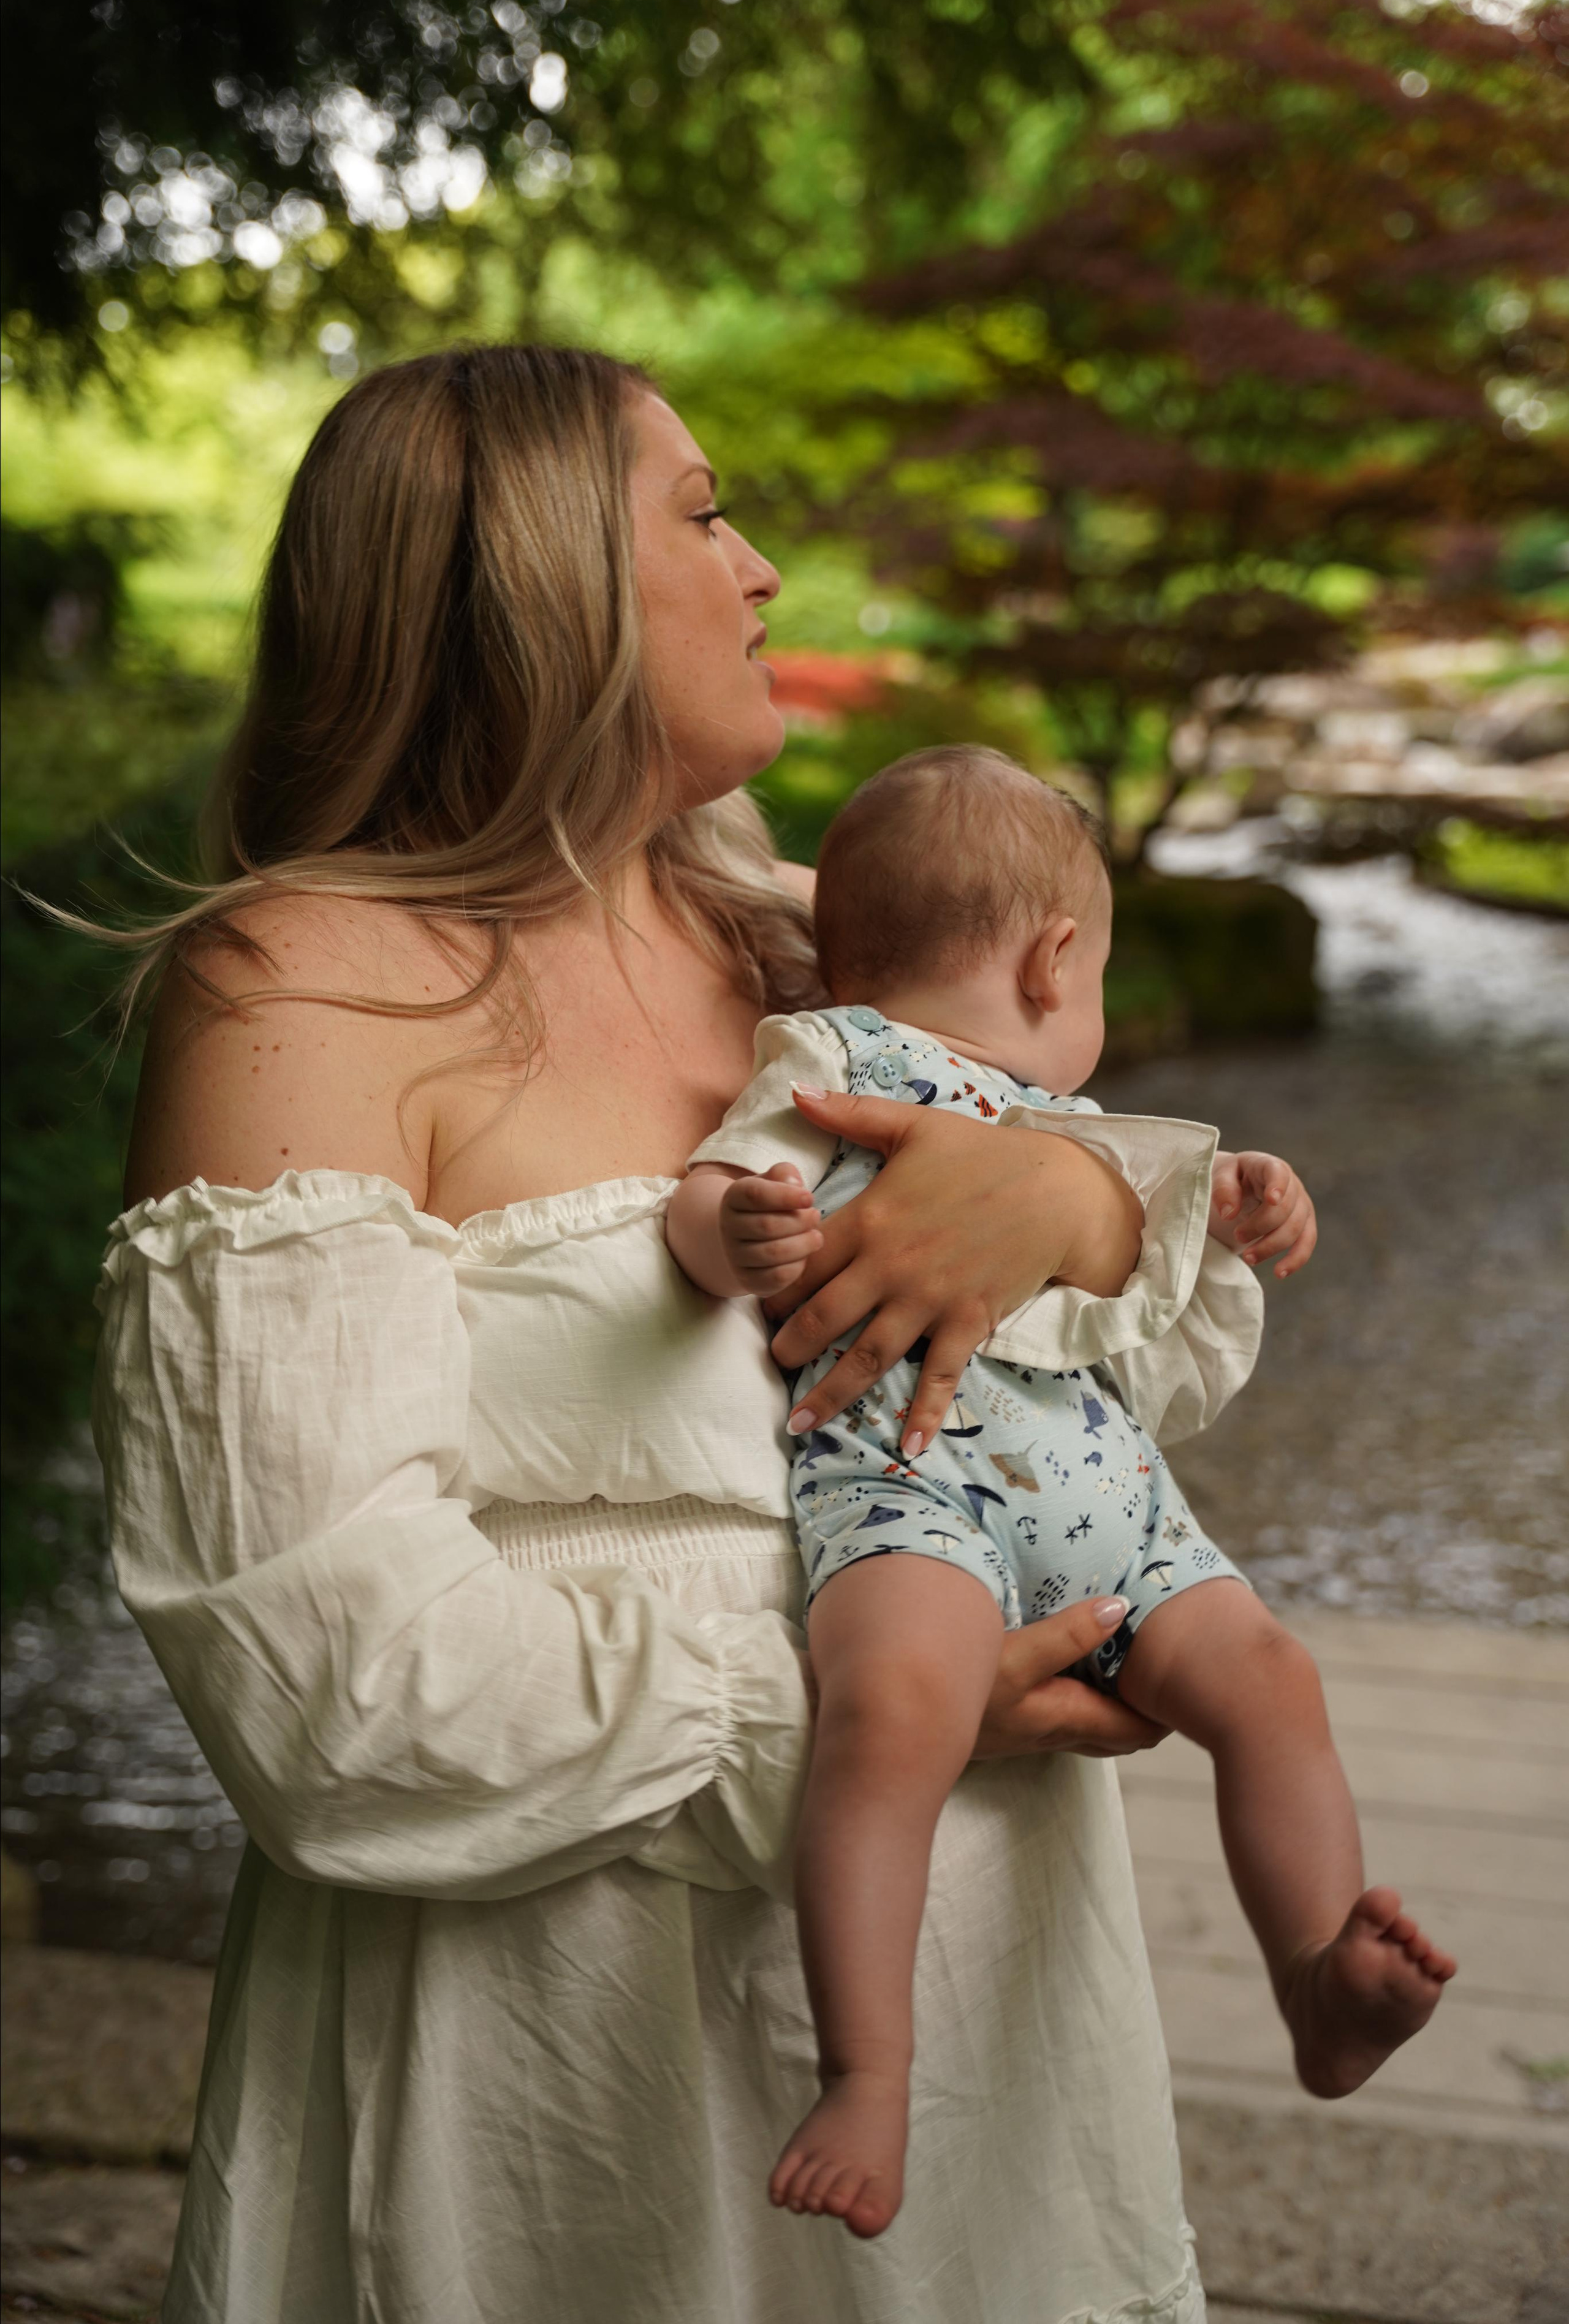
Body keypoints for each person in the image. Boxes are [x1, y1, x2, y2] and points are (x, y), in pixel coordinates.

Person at [94, 344, 1230, 2322]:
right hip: (555, 2036)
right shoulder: (304, 989)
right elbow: (328, 1687)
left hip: (984, 2000)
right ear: (537, 580)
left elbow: (1126, 1364)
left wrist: (1079, 1201)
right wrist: (878, 1718)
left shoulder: (803, 940)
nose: (765, 566)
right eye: (705, 512)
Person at [667, 745, 1457, 2240]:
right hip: (911, 1489)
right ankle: (866, 2067)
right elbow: (715, 1183)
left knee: (1267, 1676)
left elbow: (1149, 1293)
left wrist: (1230, 1207)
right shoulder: (830, 1057)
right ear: (1056, 957)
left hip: (1123, 1504)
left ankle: (1313, 1968)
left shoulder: (1077, 1122)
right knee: (894, 1704)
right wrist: (742, 1229)